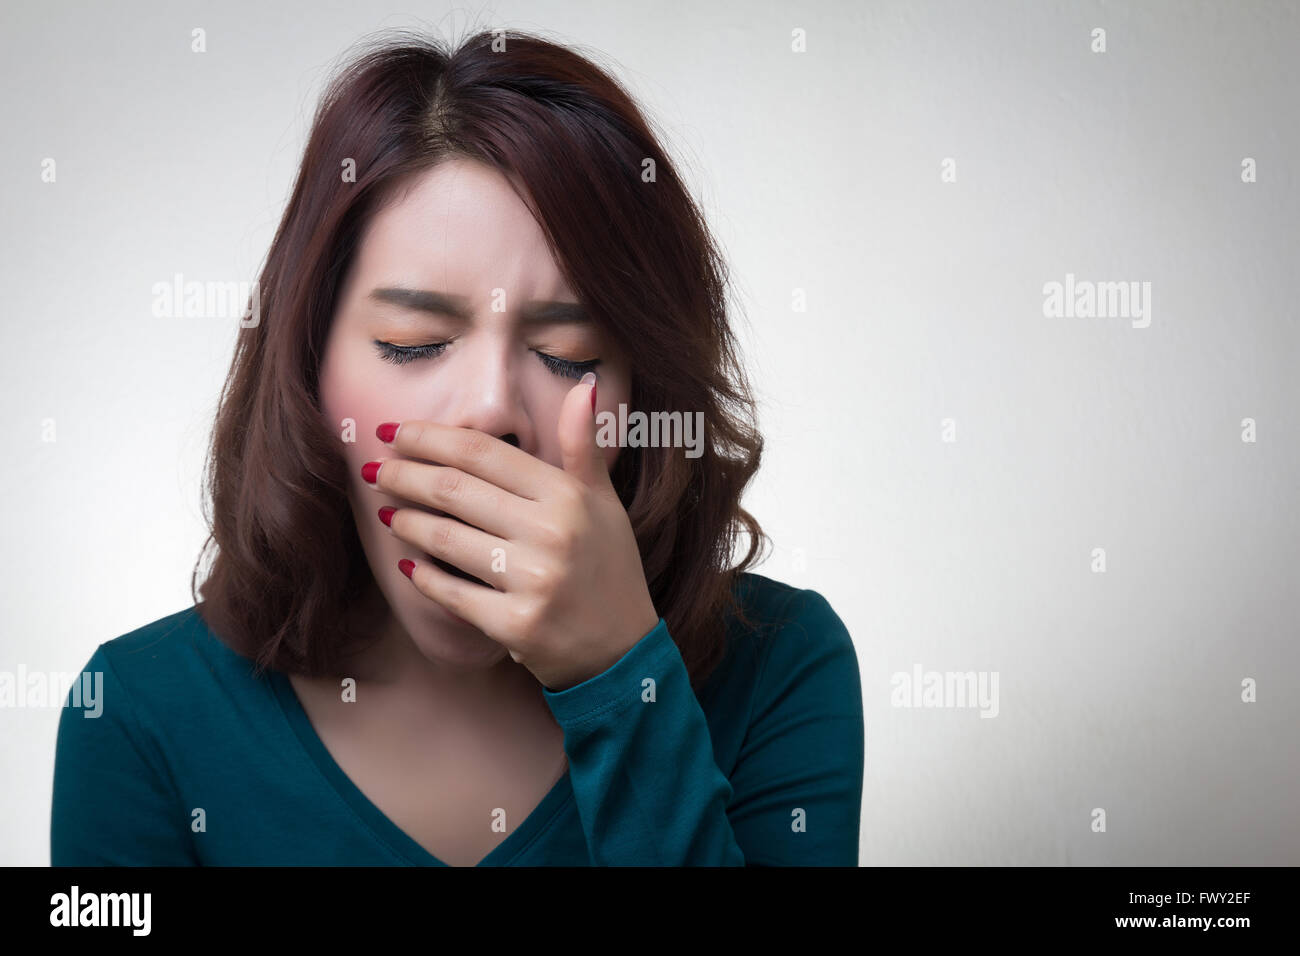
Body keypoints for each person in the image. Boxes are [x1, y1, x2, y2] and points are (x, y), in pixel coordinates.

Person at [50, 27, 864, 866]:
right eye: (412, 341)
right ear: (309, 371)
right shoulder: (138, 715)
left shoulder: (780, 667)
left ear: (643, 393)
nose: (490, 411)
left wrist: (623, 679)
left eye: (569, 356)